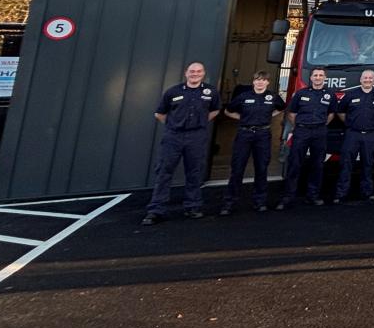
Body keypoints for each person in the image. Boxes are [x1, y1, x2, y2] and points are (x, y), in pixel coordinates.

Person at [143, 61, 221, 226]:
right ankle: (156, 210)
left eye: (199, 71)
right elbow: (160, 113)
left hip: (196, 137)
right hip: (174, 137)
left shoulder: (210, 92)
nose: (195, 74)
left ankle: (193, 207)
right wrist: (175, 125)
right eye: (192, 71)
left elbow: (215, 110)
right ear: (186, 73)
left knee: (194, 173)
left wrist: (199, 123)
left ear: (203, 73)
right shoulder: (173, 91)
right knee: (164, 172)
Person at [219, 71, 285, 214]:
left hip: (263, 135)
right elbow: (228, 111)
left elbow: (281, 108)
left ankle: (260, 202)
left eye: (263, 80)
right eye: (257, 80)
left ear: (268, 82)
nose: (260, 82)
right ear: (253, 82)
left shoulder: (273, 97)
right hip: (244, 134)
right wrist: (242, 119)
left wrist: (268, 116)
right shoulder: (243, 97)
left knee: (261, 168)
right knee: (237, 169)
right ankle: (229, 203)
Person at [277, 67, 336, 210]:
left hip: (319, 132)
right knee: (295, 164)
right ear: (311, 78)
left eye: (321, 75)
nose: (318, 77)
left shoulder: (329, 95)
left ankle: (312, 196)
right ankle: (288, 197)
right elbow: (292, 113)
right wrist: (300, 126)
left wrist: (320, 125)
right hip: (301, 131)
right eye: (315, 75)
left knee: (317, 165)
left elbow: (331, 114)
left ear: (325, 78)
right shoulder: (301, 93)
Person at [333, 69, 374, 203]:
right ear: (360, 80)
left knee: (368, 164)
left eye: (370, 78)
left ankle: (367, 192)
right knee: (346, 164)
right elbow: (340, 111)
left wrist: (372, 122)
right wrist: (350, 123)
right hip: (352, 134)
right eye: (365, 78)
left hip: (370, 135)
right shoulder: (351, 95)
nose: (367, 80)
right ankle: (341, 193)